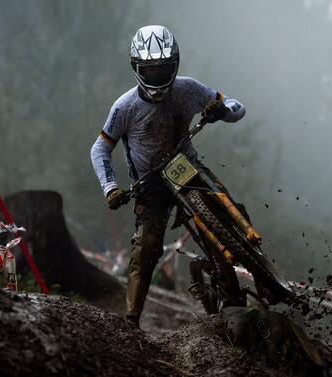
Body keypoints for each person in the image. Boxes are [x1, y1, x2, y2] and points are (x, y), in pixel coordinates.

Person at [90, 25, 246, 328]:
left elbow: (236, 108)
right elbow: (99, 149)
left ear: (175, 64)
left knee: (228, 209)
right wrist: (110, 187)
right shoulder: (125, 106)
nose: (158, 76)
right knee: (147, 247)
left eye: (164, 69)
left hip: (186, 165)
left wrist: (220, 110)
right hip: (150, 183)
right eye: (151, 70)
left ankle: (249, 274)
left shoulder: (188, 89)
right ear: (137, 68)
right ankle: (132, 321)